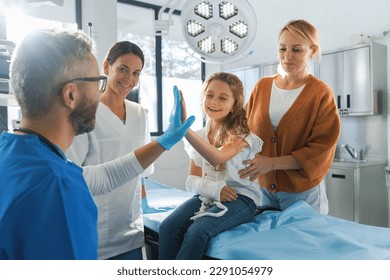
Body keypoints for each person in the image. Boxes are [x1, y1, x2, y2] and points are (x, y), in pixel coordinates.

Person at [0, 29, 194, 260]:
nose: (101, 91)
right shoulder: (59, 190)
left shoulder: (12, 152)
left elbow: (103, 177)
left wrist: (164, 142)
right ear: (71, 94)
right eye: (97, 82)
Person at [238, 19, 340, 214]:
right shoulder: (262, 87)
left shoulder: (321, 93)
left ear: (312, 50)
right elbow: (242, 128)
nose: (287, 56)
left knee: (304, 244)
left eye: (296, 50)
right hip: (264, 190)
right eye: (282, 49)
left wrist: (271, 163)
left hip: (302, 193)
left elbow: (321, 149)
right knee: (272, 243)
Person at [158, 72, 264, 260]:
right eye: (209, 95)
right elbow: (192, 181)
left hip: (242, 199)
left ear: (234, 106)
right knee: (168, 227)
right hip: (209, 195)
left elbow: (218, 158)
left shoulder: (241, 136)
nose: (214, 101)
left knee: (198, 231)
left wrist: (184, 128)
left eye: (223, 98)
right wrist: (214, 190)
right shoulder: (200, 134)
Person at [66, 41, 155, 260]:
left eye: (136, 73)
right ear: (106, 67)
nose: (129, 79)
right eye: (123, 69)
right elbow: (71, 173)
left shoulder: (140, 113)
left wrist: (142, 184)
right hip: (93, 227)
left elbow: (143, 163)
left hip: (130, 226)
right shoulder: (86, 112)